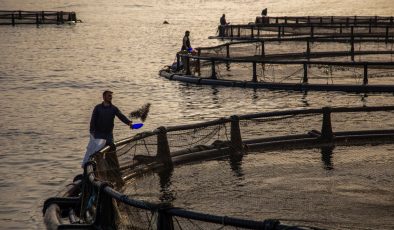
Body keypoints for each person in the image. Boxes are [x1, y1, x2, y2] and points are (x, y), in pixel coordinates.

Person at [84, 90, 132, 186]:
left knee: (112, 152)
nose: (110, 97)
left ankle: (115, 175)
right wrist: (92, 132)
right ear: (104, 97)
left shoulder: (114, 108)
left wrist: (129, 123)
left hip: (109, 135)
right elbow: (93, 121)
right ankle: (100, 176)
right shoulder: (97, 108)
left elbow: (121, 116)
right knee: (98, 155)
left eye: (111, 96)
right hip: (98, 135)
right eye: (109, 96)